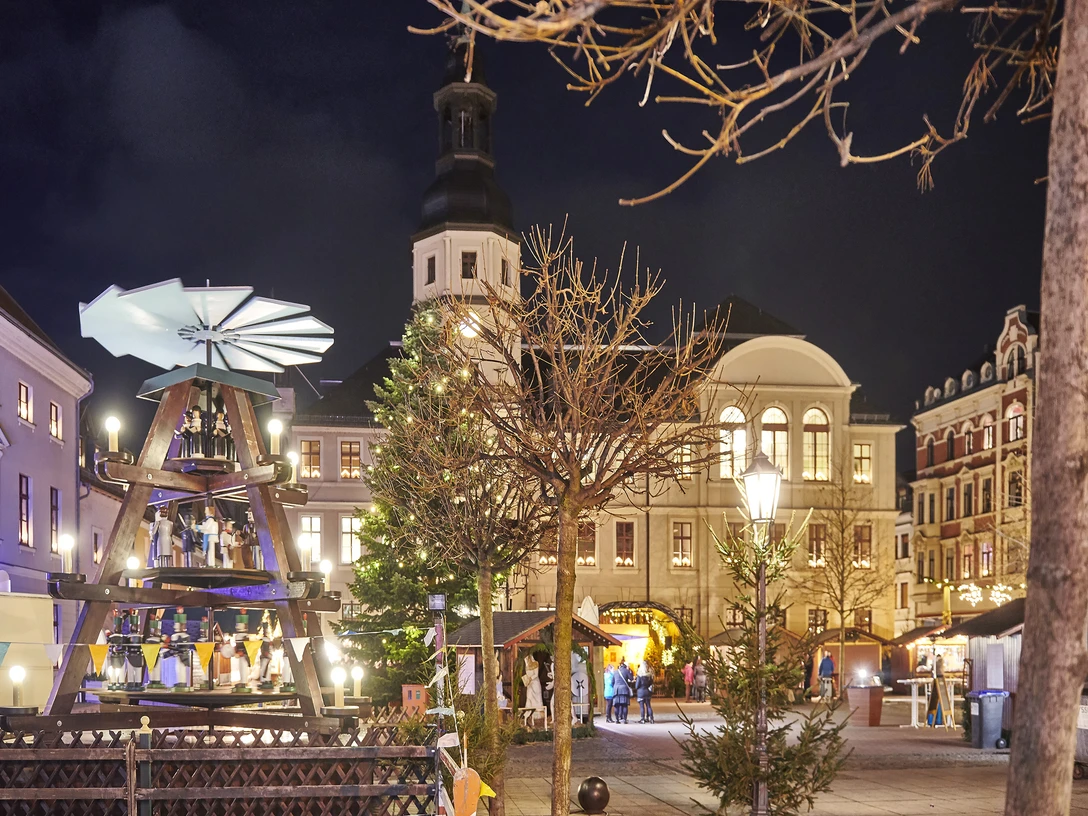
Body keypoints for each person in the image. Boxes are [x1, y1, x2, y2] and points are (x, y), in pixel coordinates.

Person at [612, 659, 633, 724]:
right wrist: (629, 671)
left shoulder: (615, 672)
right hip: (624, 690)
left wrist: (615, 686)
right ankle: (625, 720)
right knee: (624, 705)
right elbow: (631, 678)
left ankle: (617, 720)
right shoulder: (626, 671)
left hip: (617, 690)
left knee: (616, 705)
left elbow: (612, 682)